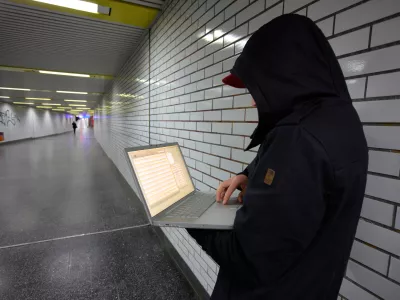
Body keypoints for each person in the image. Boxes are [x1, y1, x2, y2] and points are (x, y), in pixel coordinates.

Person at [187, 15, 368, 300]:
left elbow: (248, 259)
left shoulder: (297, 138)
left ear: (283, 75)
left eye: (257, 86)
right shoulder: (340, 119)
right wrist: (248, 174)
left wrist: (190, 219)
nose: (253, 100)